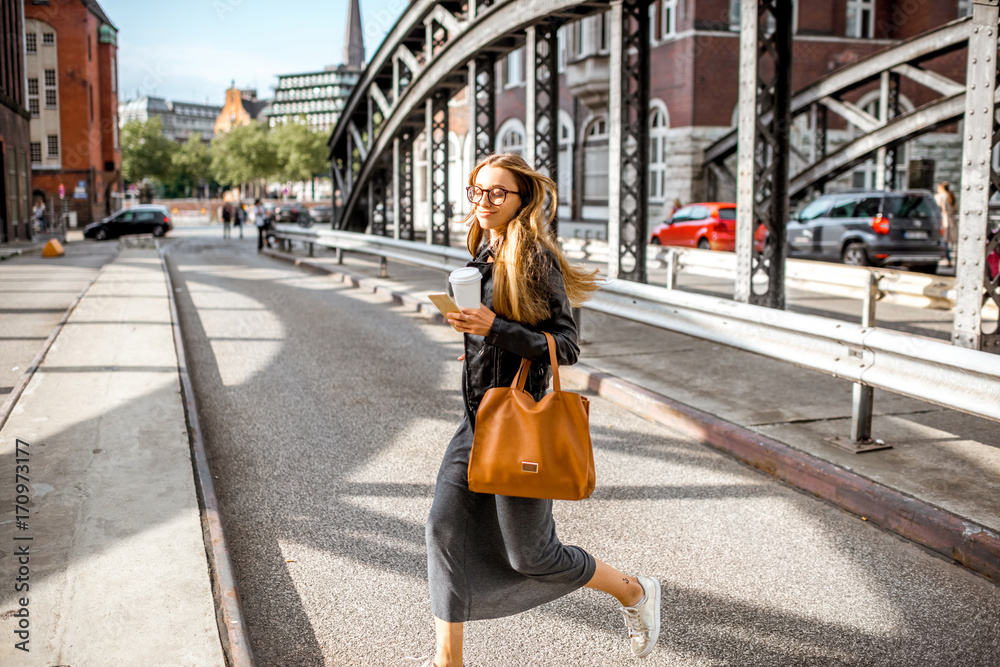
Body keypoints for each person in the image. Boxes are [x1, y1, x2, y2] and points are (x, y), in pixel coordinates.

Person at [422, 153, 662, 667]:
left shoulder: (535, 259)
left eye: (495, 193)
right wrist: (471, 328)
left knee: (532, 556)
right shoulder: (481, 249)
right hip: (476, 419)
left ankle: (634, 591)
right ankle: (448, 661)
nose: (482, 201)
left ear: (521, 198)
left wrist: (495, 329)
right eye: (476, 191)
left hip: (519, 420)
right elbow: (492, 328)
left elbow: (565, 346)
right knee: (443, 527)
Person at [935, 182, 957, 266]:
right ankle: (953, 259)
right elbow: (956, 209)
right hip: (953, 220)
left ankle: (947, 258)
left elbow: (936, 208)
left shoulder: (939, 197)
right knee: (953, 242)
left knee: (944, 241)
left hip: (943, 219)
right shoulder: (952, 196)